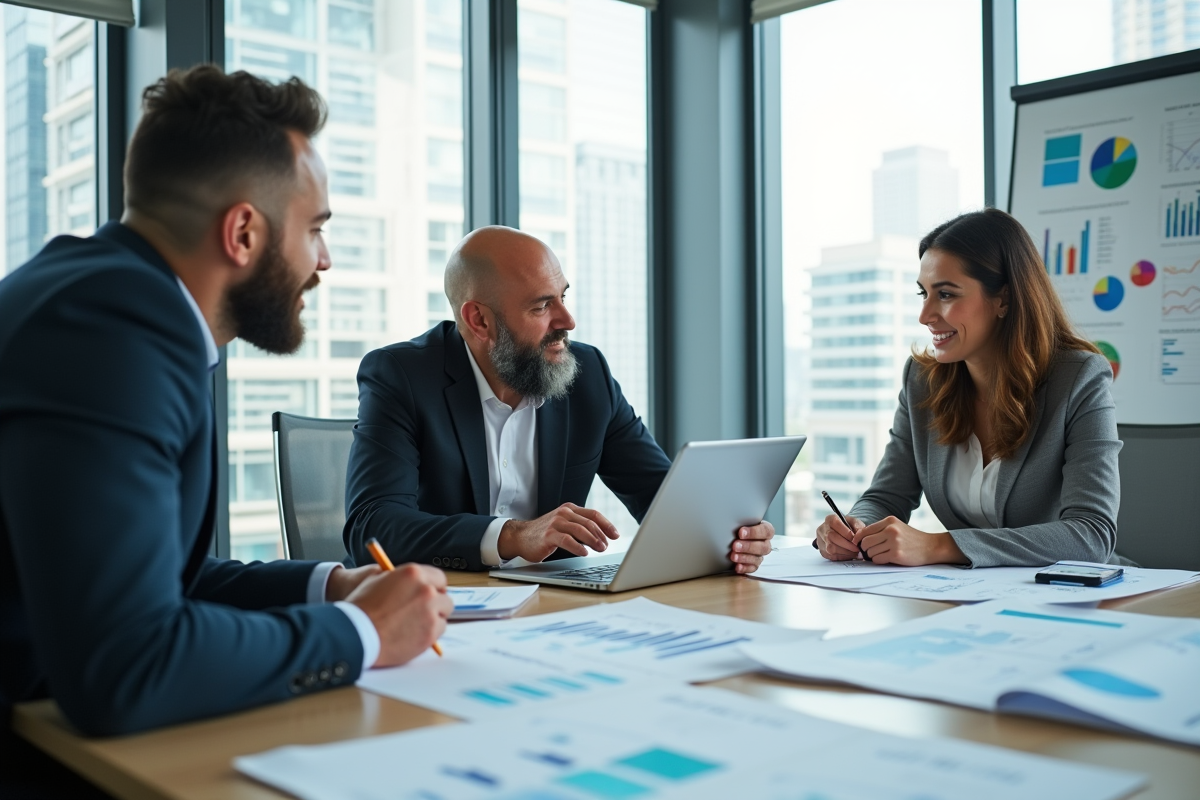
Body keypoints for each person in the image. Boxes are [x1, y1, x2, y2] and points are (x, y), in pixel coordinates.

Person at [0, 66, 452, 795]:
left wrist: (329, 587)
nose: (324, 261)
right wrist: (363, 635)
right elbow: (127, 663)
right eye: (315, 230)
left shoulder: (97, 295)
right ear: (243, 231)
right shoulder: (114, 333)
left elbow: (159, 582)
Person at [344, 226, 775, 573]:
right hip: (437, 613)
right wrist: (512, 536)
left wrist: (730, 536)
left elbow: (664, 500)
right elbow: (373, 529)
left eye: (563, 296)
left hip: (555, 613)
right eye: (541, 306)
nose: (567, 320)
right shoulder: (401, 376)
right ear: (479, 320)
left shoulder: (587, 375)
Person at [814, 208, 1120, 568]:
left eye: (945, 294)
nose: (925, 315)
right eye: (923, 294)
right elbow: (887, 495)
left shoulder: (1079, 378)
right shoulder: (921, 381)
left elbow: (1092, 533)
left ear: (1003, 299)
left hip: (1076, 599)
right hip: (970, 600)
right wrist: (855, 526)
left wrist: (941, 547)